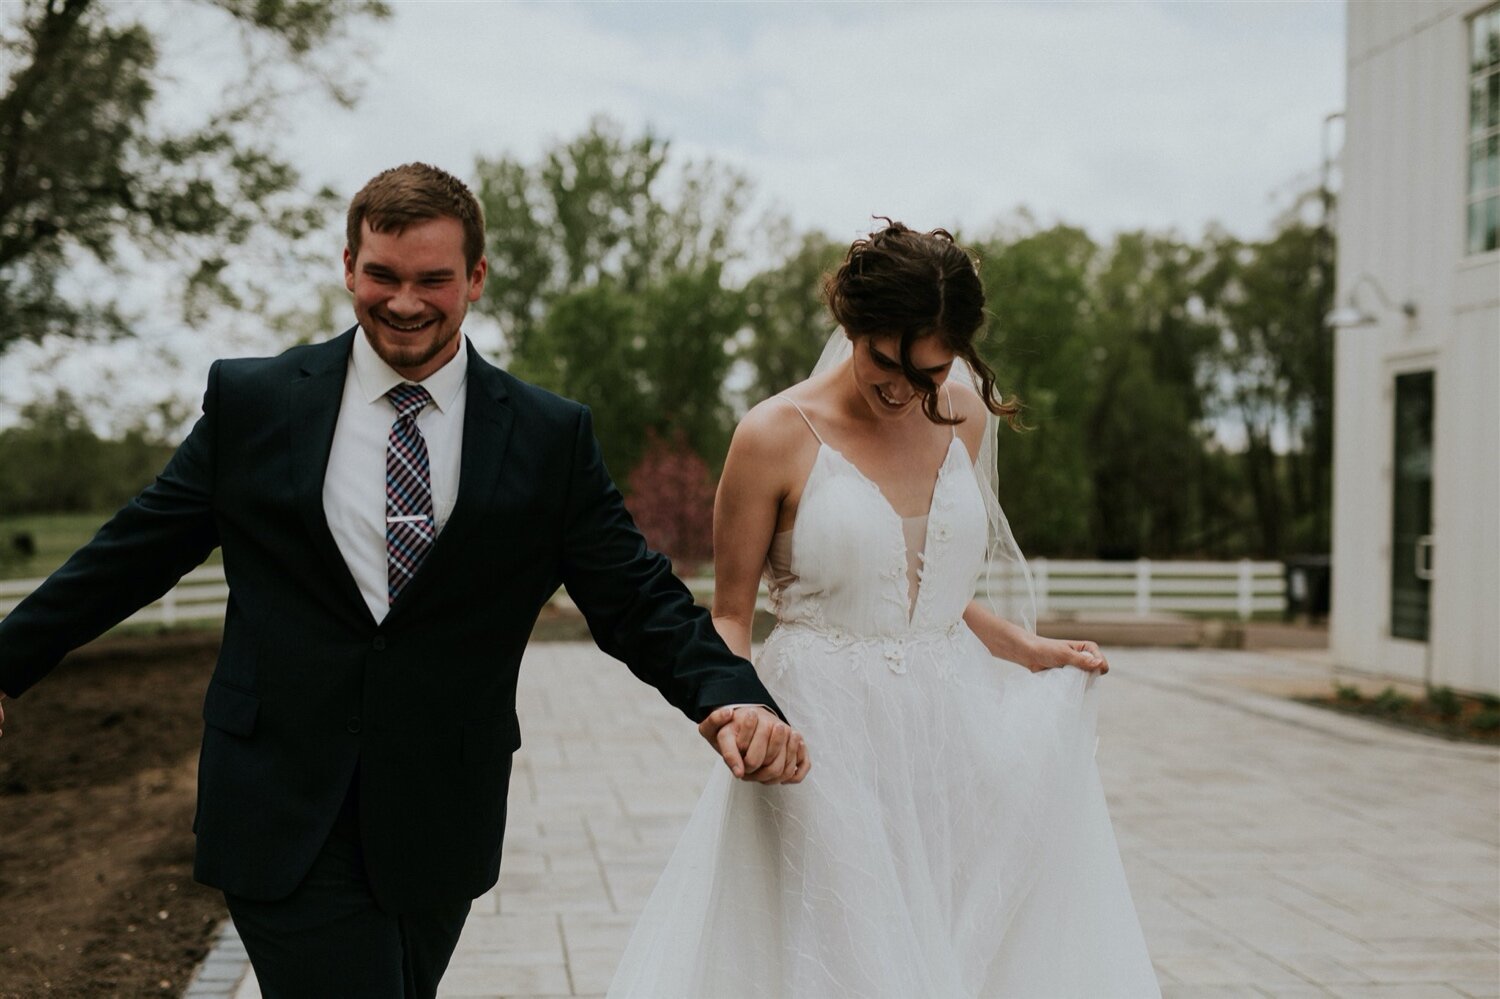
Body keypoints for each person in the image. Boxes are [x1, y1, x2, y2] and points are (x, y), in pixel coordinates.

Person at [0, 162, 809, 999]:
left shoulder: (546, 436)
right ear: (348, 266)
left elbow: (634, 594)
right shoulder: (255, 403)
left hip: (438, 819)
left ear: (477, 279)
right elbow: (132, 551)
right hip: (280, 803)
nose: (405, 301)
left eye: (434, 279)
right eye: (382, 275)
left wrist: (730, 692)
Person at [607, 222, 1160, 997]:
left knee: (956, 943)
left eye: (929, 370)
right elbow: (731, 614)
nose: (902, 390)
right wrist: (731, 707)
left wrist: (1026, 649)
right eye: (884, 361)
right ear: (848, 323)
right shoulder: (772, 435)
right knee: (850, 957)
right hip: (822, 734)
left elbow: (927, 585)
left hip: (949, 725)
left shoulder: (962, 416)